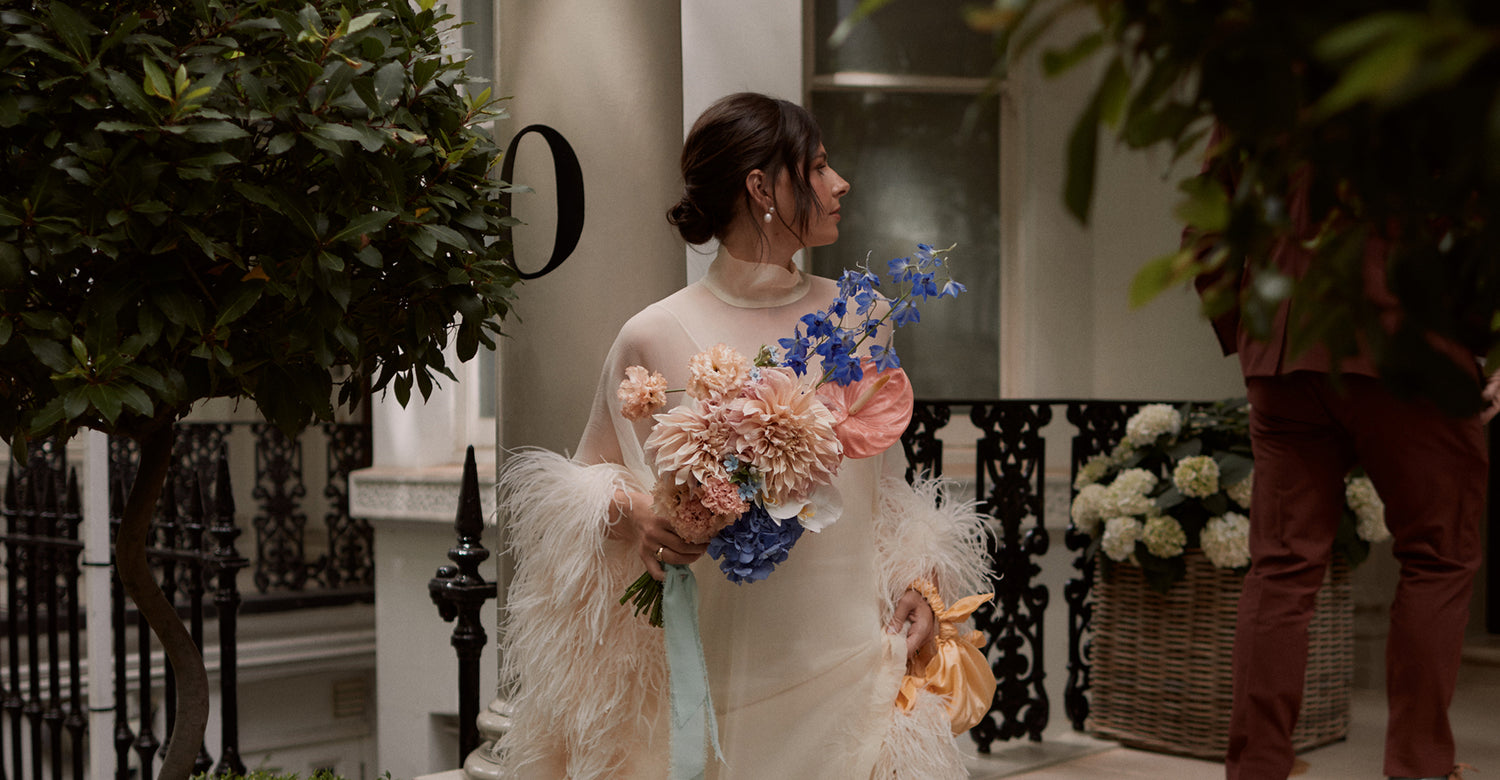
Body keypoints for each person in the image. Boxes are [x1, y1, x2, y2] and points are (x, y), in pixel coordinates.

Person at [492, 92, 993, 779]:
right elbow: (583, 483)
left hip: (846, 657)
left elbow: (887, 476)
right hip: (714, 672)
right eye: (816, 167)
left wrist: (920, 580)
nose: (839, 183)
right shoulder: (655, 332)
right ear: (762, 186)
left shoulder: (862, 316)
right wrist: (642, 514)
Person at [1190, 138, 1500, 780]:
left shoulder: (1257, 55)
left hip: (1285, 353)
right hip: (1410, 349)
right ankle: (1417, 768)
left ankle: (1258, 769)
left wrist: (1250, 336)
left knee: (1280, 566)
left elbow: (1209, 222)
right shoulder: (1435, 48)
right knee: (1439, 558)